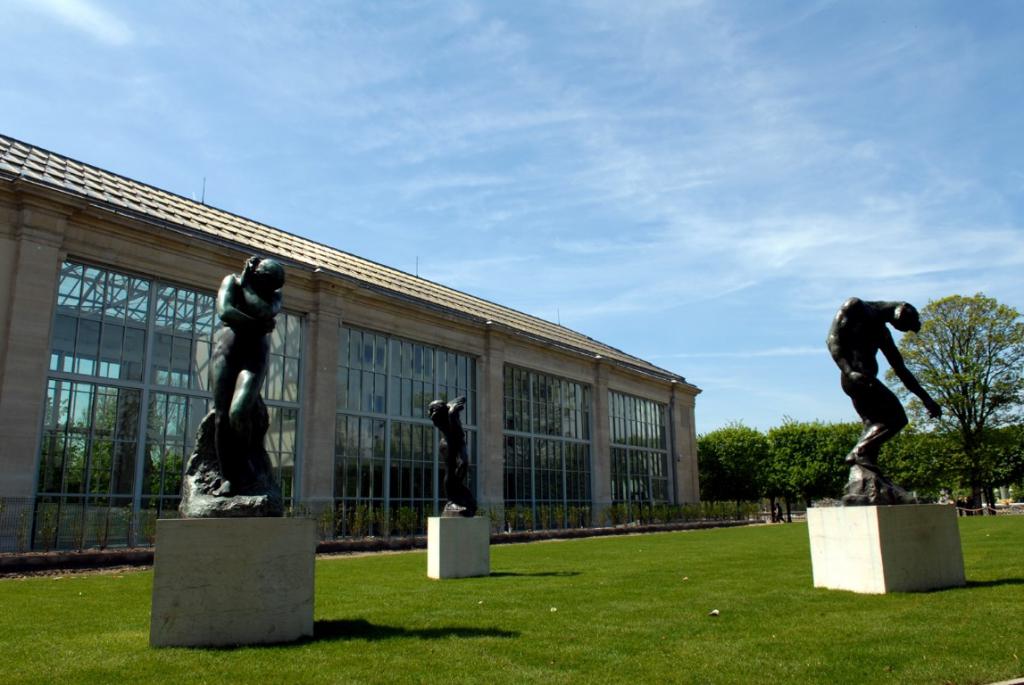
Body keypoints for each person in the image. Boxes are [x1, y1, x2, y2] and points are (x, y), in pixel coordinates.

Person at [827, 298, 941, 503]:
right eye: (903, 326)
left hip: (864, 379)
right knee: (897, 419)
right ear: (902, 310)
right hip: (857, 378)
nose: (900, 330)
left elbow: (900, 369)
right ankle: (859, 451)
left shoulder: (882, 331)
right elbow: (833, 339)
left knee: (873, 427)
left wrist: (927, 399)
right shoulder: (855, 307)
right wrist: (848, 371)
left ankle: (865, 482)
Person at [210, 256, 284, 494]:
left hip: (253, 358)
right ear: (258, 273)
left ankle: (247, 465)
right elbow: (225, 311)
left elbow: (262, 310)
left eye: (270, 284)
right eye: (265, 281)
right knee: (221, 417)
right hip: (225, 355)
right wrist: (256, 326)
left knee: (239, 411)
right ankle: (228, 477)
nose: (269, 288)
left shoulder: (273, 296)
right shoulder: (231, 282)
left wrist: (248, 284)